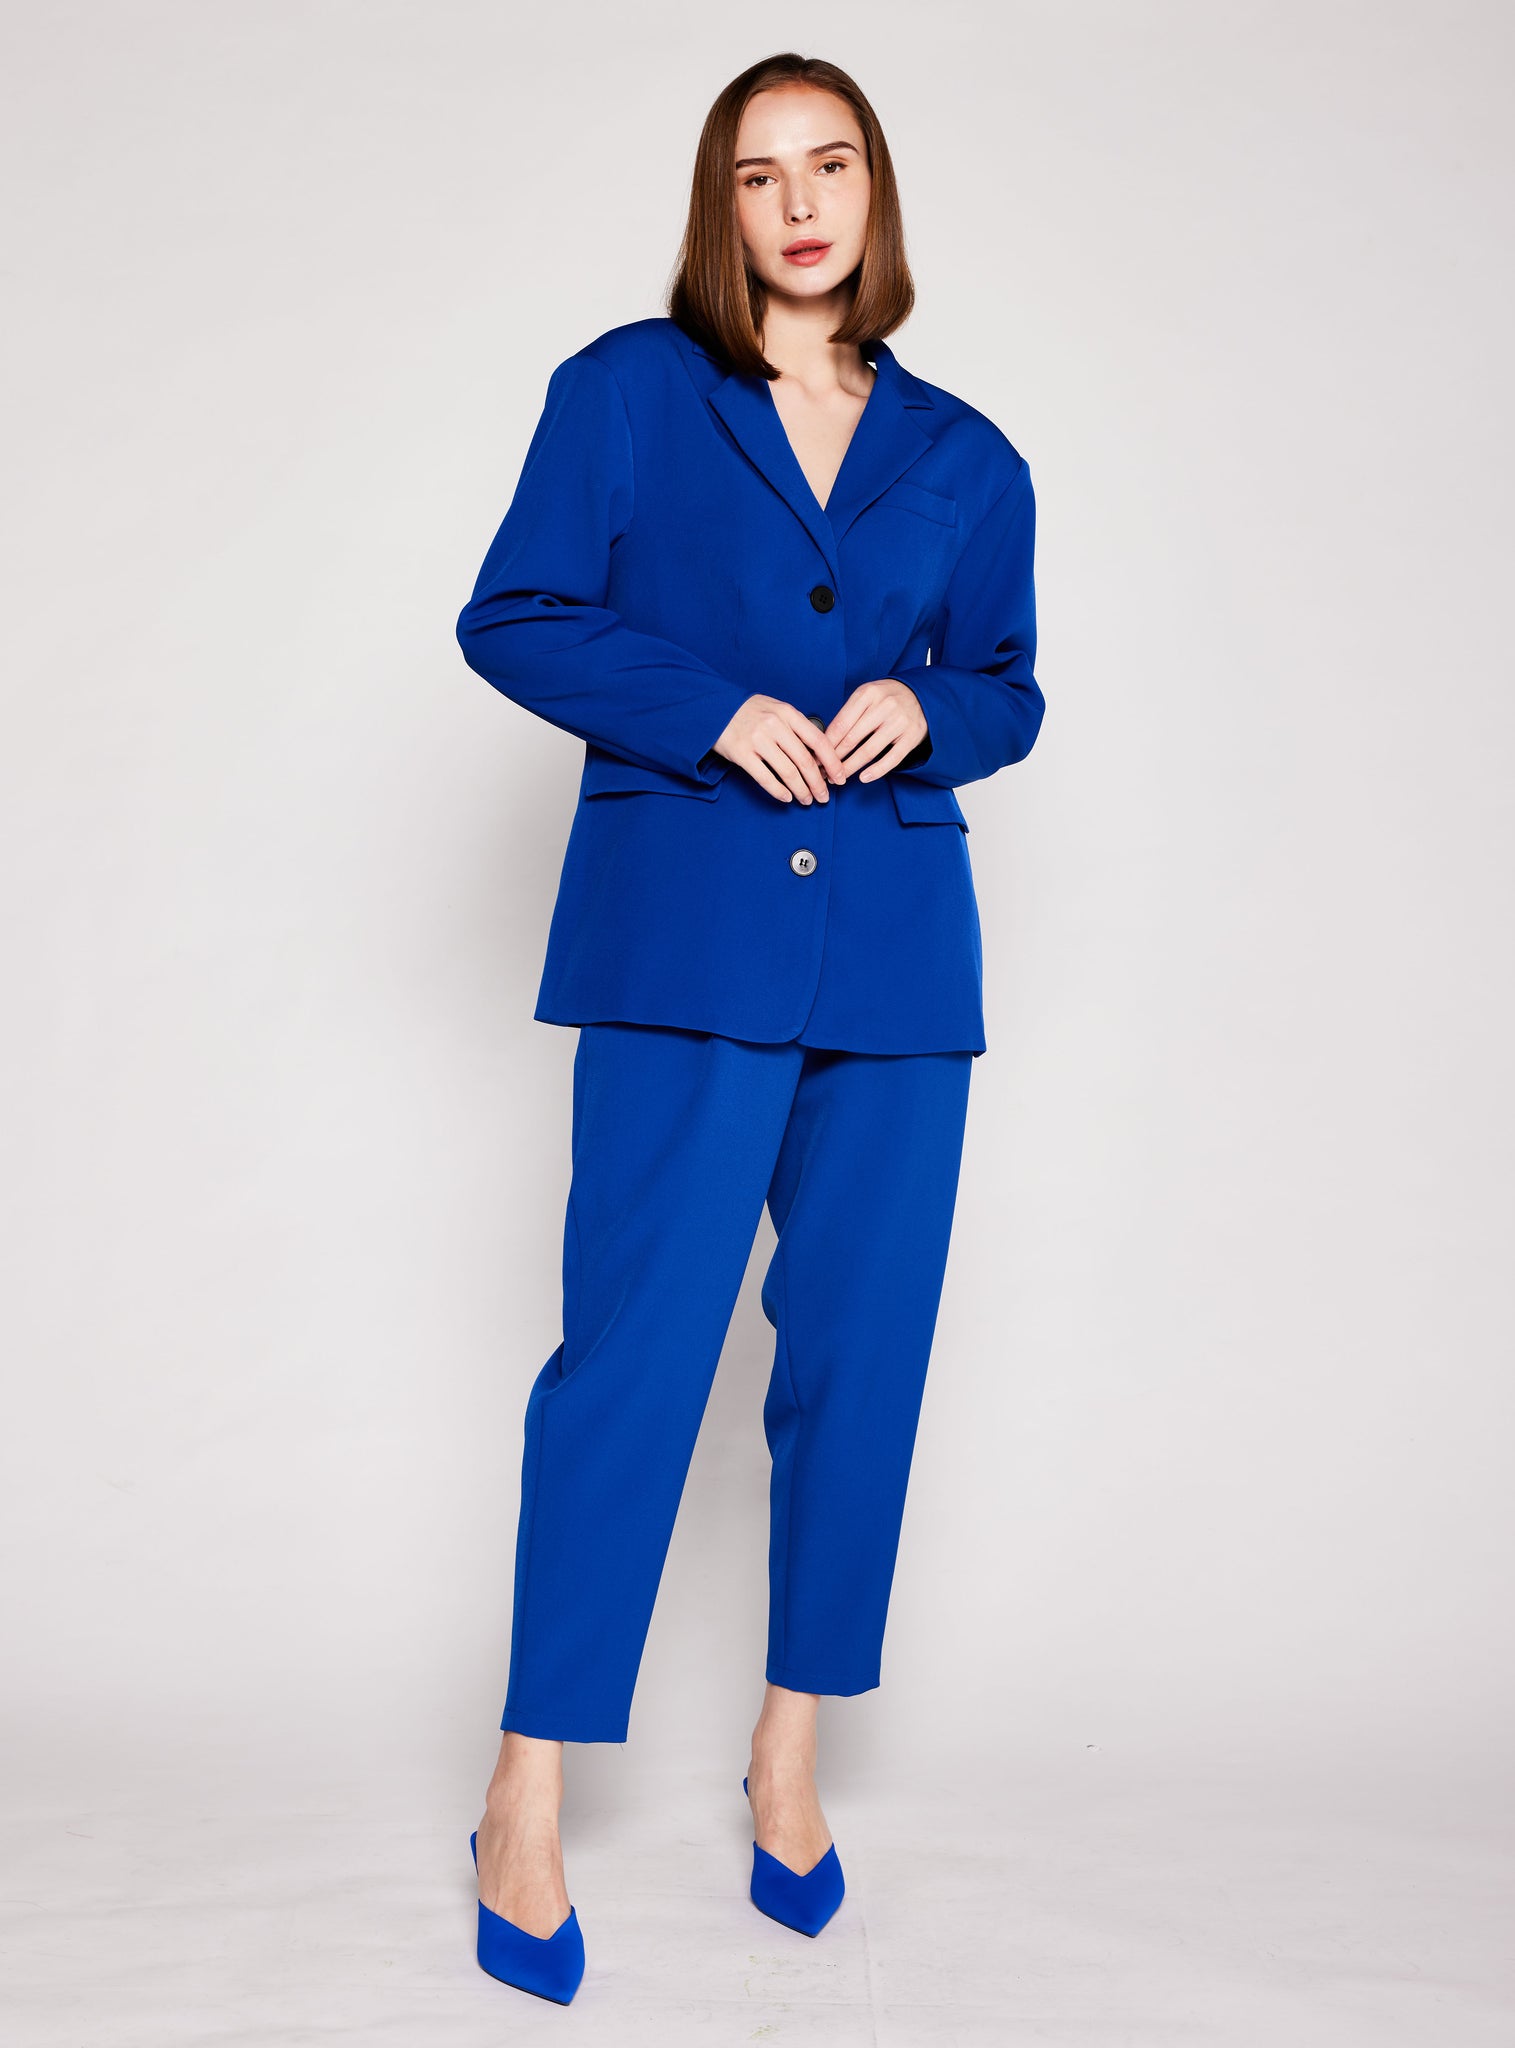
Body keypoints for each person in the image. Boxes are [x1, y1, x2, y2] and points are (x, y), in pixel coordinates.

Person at [453, 49, 1044, 2004]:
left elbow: (1008, 683)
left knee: (858, 1368)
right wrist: (708, 710)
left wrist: (932, 709)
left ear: (874, 194)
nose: (799, 204)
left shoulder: (968, 454)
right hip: (682, 942)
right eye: (760, 173)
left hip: (896, 962)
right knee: (629, 1363)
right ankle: (525, 1788)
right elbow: (515, 614)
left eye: (832, 164)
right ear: (721, 205)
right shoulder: (628, 391)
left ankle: (788, 1756)